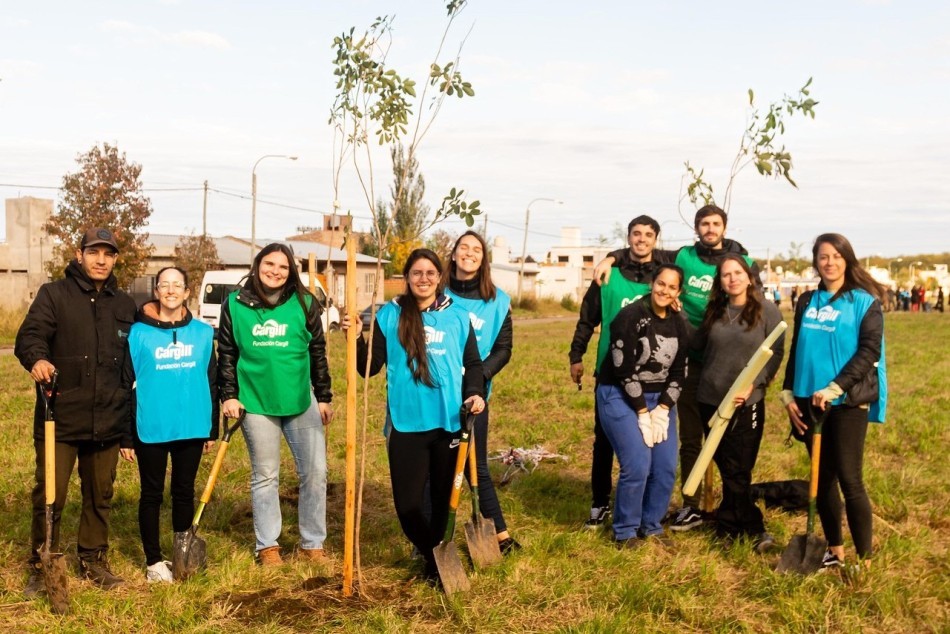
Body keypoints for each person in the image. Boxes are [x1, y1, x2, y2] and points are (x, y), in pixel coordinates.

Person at [594, 205, 761, 532]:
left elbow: (756, 307)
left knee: (717, 445)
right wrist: (610, 257)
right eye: (704, 224)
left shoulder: (743, 262)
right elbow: (644, 250)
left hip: (721, 358)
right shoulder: (683, 256)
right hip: (672, 364)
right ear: (697, 228)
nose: (710, 229)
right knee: (687, 439)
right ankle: (682, 509)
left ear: (724, 227)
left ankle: (721, 508)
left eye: (716, 224)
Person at [343, 249, 485, 584]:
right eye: (416, 273)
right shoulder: (389, 316)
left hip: (449, 422)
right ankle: (435, 553)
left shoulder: (458, 317)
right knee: (408, 507)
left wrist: (474, 393)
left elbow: (474, 365)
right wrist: (356, 337)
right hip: (405, 423)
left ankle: (436, 567)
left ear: (440, 277)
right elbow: (369, 369)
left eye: (430, 273)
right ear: (407, 278)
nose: (423, 279)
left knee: (440, 502)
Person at [15, 228, 136, 594]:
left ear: (115, 259)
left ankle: (93, 558)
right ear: (79, 254)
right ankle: (42, 561)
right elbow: (30, 336)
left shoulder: (124, 304)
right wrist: (38, 359)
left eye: (108, 254)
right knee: (51, 494)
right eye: (94, 252)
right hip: (61, 417)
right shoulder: (55, 295)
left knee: (100, 494)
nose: (101, 260)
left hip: (109, 418)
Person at [217, 243, 333, 565]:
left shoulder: (305, 302)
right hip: (255, 401)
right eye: (269, 264)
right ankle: (267, 546)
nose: (275, 271)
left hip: (299, 399)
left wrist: (323, 396)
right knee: (266, 474)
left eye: (283, 267)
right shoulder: (235, 304)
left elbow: (317, 352)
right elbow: (226, 352)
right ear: (257, 265)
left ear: (291, 271)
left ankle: (312, 544)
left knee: (315, 471)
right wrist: (229, 395)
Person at [781, 233, 887, 569]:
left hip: (847, 402)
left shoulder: (863, 302)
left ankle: (865, 559)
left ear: (847, 259)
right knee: (821, 479)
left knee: (849, 479)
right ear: (816, 262)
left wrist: (834, 387)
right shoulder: (806, 300)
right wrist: (787, 392)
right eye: (823, 257)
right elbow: (798, 347)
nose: (829, 262)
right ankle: (835, 550)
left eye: (836, 256)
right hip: (808, 401)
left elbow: (869, 352)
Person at [569, 215, 671, 529]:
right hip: (611, 375)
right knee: (604, 443)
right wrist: (577, 354)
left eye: (648, 234)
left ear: (656, 239)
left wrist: (610, 254)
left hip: (653, 379)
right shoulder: (607, 275)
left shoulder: (663, 278)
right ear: (628, 238)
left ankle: (644, 508)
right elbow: (588, 318)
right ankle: (599, 504)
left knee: (653, 444)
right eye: (636, 234)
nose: (642, 239)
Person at [127, 266, 218, 582]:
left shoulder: (204, 334)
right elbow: (127, 383)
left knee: (184, 490)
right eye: (164, 284)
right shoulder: (137, 334)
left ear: (187, 292)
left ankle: (182, 552)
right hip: (151, 426)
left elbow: (212, 382)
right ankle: (154, 562)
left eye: (176, 285)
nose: (170, 290)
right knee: (151, 493)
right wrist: (127, 437)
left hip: (191, 425)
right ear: (156, 291)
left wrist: (212, 429)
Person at [692, 255, 785, 551]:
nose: (731, 278)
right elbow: (697, 348)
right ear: (719, 281)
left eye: (737, 273)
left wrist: (755, 384)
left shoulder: (767, 311)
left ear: (748, 276)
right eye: (725, 275)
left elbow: (777, 353)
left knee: (739, 468)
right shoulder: (715, 311)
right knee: (727, 467)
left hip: (747, 403)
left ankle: (748, 527)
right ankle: (736, 524)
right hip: (710, 399)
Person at [596, 264, 689, 548]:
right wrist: (641, 412)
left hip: (658, 399)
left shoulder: (678, 322)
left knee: (663, 467)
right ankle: (625, 530)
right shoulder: (630, 317)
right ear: (653, 283)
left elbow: (679, 371)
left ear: (678, 292)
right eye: (661, 283)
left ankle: (651, 524)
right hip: (619, 394)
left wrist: (662, 409)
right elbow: (623, 370)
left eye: (672, 287)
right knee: (638, 464)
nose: (665, 290)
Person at [445, 230, 519, 553]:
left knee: (478, 464)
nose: (469, 253)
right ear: (453, 254)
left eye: (476, 249)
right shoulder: (438, 292)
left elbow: (504, 349)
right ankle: (428, 539)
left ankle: (499, 535)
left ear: (483, 258)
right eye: (464, 247)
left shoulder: (497, 301)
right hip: (439, 389)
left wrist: (478, 376)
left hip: (474, 394)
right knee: (438, 464)